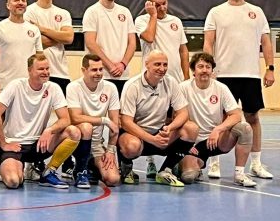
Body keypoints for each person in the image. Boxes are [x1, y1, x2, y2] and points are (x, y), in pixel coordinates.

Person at [202, 0, 274, 180]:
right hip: (223, 75)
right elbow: (208, 43)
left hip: (250, 75)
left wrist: (270, 68)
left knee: (253, 118)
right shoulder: (216, 12)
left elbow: (266, 42)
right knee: (220, 119)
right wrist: (209, 68)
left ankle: (256, 164)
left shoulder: (256, 12)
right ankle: (214, 163)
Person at [0, 52, 80, 190]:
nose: (45, 72)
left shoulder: (53, 88)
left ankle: (48, 172)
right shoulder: (16, 86)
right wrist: (3, 144)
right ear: (30, 70)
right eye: (41, 69)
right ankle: (13, 167)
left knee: (74, 132)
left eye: (47, 68)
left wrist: (49, 130)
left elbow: (65, 119)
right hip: (15, 145)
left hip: (38, 144)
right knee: (14, 181)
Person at [117, 51, 198, 187]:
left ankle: (166, 170)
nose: (162, 68)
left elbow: (183, 113)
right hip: (137, 135)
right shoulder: (132, 86)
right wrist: (152, 139)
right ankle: (126, 167)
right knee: (131, 146)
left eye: (165, 65)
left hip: (161, 133)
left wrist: (169, 128)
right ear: (146, 65)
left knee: (191, 128)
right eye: (157, 64)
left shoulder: (170, 82)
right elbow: (126, 122)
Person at [177, 52, 255, 187]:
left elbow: (236, 114)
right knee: (188, 177)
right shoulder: (183, 88)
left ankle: (239, 174)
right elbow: (176, 116)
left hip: (215, 140)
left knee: (245, 128)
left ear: (212, 70)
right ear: (193, 70)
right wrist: (187, 145)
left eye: (208, 67)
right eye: (200, 66)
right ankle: (186, 165)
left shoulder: (221, 88)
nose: (204, 70)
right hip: (192, 142)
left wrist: (218, 129)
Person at [65, 54, 121, 188]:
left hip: (96, 144)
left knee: (113, 179)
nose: (99, 73)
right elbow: (75, 117)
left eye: (101, 69)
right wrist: (104, 120)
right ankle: (80, 170)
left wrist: (110, 150)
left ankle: (91, 165)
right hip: (77, 142)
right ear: (83, 70)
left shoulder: (110, 88)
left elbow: (115, 124)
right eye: (94, 70)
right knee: (86, 127)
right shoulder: (73, 87)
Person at [82, 0, 136, 100]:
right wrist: (110, 66)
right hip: (101, 75)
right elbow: (90, 43)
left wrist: (123, 65)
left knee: (120, 111)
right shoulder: (92, 12)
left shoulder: (125, 12)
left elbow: (132, 43)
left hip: (123, 75)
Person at [0, 0, 42, 98]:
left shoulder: (34, 30)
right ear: (8, 5)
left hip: (31, 85)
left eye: (23, 0)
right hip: (6, 85)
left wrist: (41, 80)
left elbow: (40, 57)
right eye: (16, 0)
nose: (20, 3)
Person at [24, 0, 74, 96]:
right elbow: (35, 42)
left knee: (63, 107)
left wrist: (41, 29)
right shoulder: (28, 12)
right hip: (37, 73)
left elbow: (69, 38)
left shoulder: (63, 13)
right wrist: (59, 37)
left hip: (60, 73)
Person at [134, 0, 189, 83]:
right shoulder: (141, 20)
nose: (162, 8)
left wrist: (186, 77)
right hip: (152, 80)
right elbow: (149, 38)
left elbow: (183, 51)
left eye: (164, 3)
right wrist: (153, 15)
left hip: (176, 79)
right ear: (149, 4)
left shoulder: (176, 21)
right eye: (157, 5)